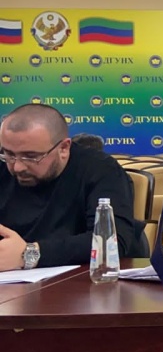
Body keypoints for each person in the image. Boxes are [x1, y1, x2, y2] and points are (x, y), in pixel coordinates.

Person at [0, 103, 142, 271]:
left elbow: (112, 241)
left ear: (63, 148)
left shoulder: (100, 170)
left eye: (31, 156)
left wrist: (29, 254)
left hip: (86, 279)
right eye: (8, 154)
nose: (17, 167)